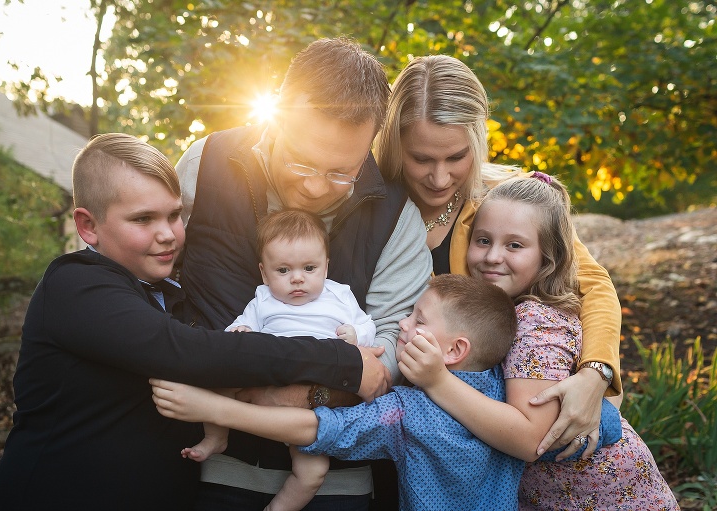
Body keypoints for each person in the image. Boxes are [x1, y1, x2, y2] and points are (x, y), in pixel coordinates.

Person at [0, 133, 390, 511]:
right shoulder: (76, 285)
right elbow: (184, 353)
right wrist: (342, 361)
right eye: (143, 219)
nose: (168, 234)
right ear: (88, 226)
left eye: (175, 215)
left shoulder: (173, 292)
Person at [175, 37, 432, 509]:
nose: (315, 187)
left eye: (341, 172)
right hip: (203, 464)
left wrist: (309, 395)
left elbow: (396, 341)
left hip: (336, 476)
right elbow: (157, 280)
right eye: (301, 160)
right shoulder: (204, 163)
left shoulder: (397, 218)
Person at [374, 54, 623, 457]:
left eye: (456, 157)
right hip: (392, 422)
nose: (439, 178)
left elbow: (592, 285)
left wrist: (595, 375)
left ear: (476, 139)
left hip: (485, 434)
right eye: (421, 158)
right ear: (393, 142)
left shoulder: (508, 199)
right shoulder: (370, 202)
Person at [399, 175, 679, 510]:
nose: (492, 257)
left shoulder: (535, 322)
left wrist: (438, 381)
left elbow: (532, 438)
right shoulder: (512, 312)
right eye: (483, 240)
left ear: (547, 258)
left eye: (514, 245)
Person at [152, 274, 529, 511]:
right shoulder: (506, 387)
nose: (402, 322)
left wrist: (215, 408)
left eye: (418, 319)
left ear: (454, 351)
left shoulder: (406, 413)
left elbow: (315, 429)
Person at [184, 209, 377, 511]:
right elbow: (232, 334)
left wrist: (356, 334)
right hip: (267, 377)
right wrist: (241, 330)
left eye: (309, 268)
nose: (297, 279)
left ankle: (280, 507)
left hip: (311, 404)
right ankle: (216, 436)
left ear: (326, 266)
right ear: (264, 273)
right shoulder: (263, 300)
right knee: (220, 382)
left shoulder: (339, 295)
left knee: (313, 471)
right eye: (283, 271)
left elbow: (369, 326)